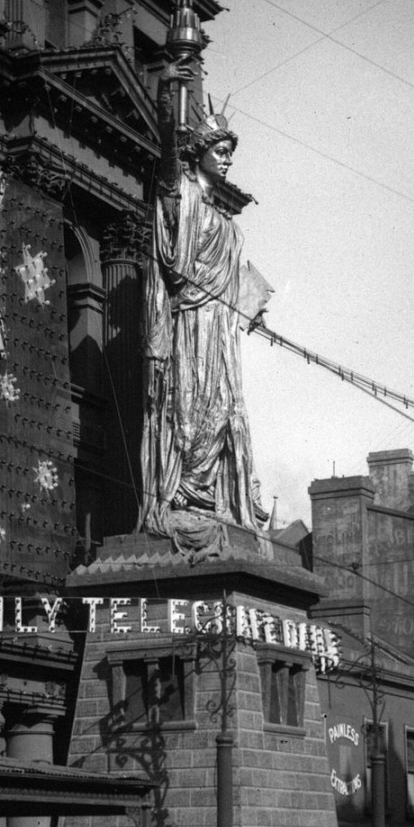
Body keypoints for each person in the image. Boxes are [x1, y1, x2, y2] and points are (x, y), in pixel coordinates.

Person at [139, 54, 273, 560]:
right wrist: (165, 96)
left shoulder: (226, 220)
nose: (227, 158)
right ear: (200, 153)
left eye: (230, 151)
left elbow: (237, 276)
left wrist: (251, 299)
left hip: (220, 331)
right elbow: (167, 157)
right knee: (190, 411)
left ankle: (213, 496)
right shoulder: (182, 195)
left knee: (223, 412)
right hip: (190, 323)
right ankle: (186, 494)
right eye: (220, 149)